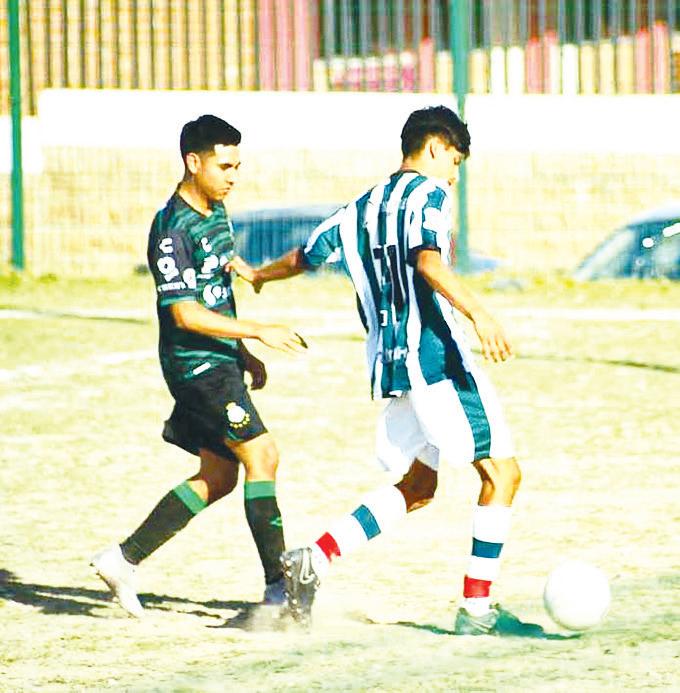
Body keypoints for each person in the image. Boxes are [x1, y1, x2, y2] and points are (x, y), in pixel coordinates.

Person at [229, 105, 543, 636]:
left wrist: (260, 275)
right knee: (503, 475)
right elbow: (429, 261)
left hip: (391, 367)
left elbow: (305, 256)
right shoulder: (430, 196)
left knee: (418, 486)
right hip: (436, 359)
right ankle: (477, 611)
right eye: (455, 162)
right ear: (436, 147)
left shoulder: (359, 207)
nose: (454, 176)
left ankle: (313, 559)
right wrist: (481, 315)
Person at [91, 114, 307, 618]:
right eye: (224, 166)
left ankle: (123, 559)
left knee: (219, 474)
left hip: (220, 359)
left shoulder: (216, 210)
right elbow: (185, 314)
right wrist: (257, 331)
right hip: (194, 366)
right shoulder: (171, 230)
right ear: (193, 162)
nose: (233, 176)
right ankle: (279, 590)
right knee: (263, 455)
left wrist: (242, 352)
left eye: (238, 166)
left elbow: (217, 288)